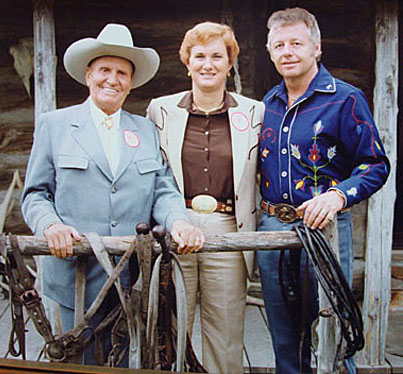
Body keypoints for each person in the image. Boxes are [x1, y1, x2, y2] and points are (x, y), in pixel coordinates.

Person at [21, 23, 203, 364]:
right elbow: (34, 195)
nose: (112, 79)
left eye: (122, 72)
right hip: (73, 278)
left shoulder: (145, 129)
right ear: (89, 75)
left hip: (134, 280)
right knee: (76, 363)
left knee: (130, 362)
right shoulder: (55, 125)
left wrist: (179, 221)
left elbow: (163, 189)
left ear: (131, 82)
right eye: (104, 70)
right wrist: (51, 227)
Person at [257, 7, 390, 374]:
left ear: (317, 48)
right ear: (270, 52)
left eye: (296, 43)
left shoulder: (345, 99)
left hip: (326, 230)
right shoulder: (266, 105)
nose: (287, 51)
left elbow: (376, 165)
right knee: (284, 337)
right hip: (273, 229)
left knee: (334, 330)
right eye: (279, 45)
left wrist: (337, 196)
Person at [147, 22, 265, 374]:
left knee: (225, 329)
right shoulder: (161, 110)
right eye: (199, 56)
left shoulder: (253, 112)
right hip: (175, 226)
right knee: (170, 327)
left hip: (229, 227)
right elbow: (152, 174)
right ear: (187, 62)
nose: (208, 64)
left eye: (218, 56)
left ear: (230, 63)